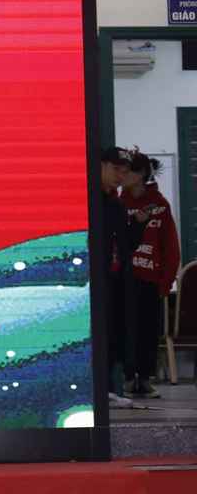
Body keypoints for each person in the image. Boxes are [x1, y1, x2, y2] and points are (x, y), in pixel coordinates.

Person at [120, 151, 180, 398]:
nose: (123, 176)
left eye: (128, 171)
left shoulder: (160, 205)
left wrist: (165, 281)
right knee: (124, 329)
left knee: (148, 330)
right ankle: (126, 378)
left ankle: (144, 378)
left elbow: (170, 246)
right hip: (123, 280)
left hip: (150, 279)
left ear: (141, 174)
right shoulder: (119, 203)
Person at [99, 147, 134, 407]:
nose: (120, 177)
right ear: (101, 165)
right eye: (115, 170)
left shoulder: (116, 204)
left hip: (114, 279)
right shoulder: (91, 201)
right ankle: (100, 388)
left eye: (124, 172)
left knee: (113, 333)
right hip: (94, 281)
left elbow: (125, 245)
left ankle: (108, 388)